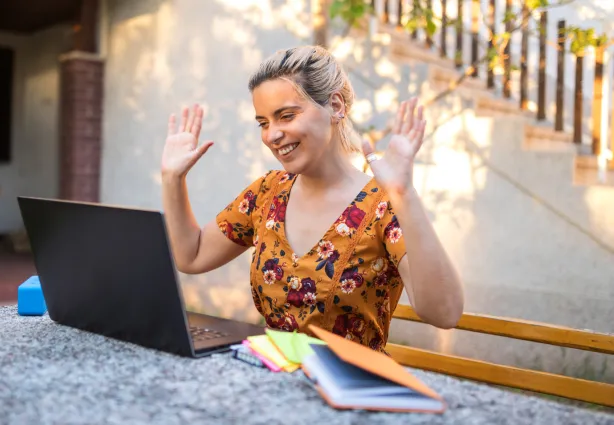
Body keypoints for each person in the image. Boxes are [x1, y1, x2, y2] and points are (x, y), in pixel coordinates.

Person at [161, 45, 464, 352]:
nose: (272, 135)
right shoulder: (266, 192)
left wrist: (406, 195)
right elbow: (193, 255)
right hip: (271, 379)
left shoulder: (384, 204)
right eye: (264, 123)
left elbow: (445, 313)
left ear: (335, 106)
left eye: (286, 116)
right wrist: (172, 179)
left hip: (350, 390)